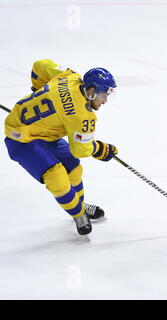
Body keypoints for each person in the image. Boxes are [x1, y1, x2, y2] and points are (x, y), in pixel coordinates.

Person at [4, 59, 118, 235]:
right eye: (104, 95)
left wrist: (38, 89)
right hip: (20, 139)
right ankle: (78, 214)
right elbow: (80, 149)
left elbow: (39, 65)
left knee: (74, 170)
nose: (105, 101)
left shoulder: (69, 76)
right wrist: (100, 149)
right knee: (56, 176)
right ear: (91, 91)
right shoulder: (83, 117)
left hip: (44, 133)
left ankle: (78, 204)